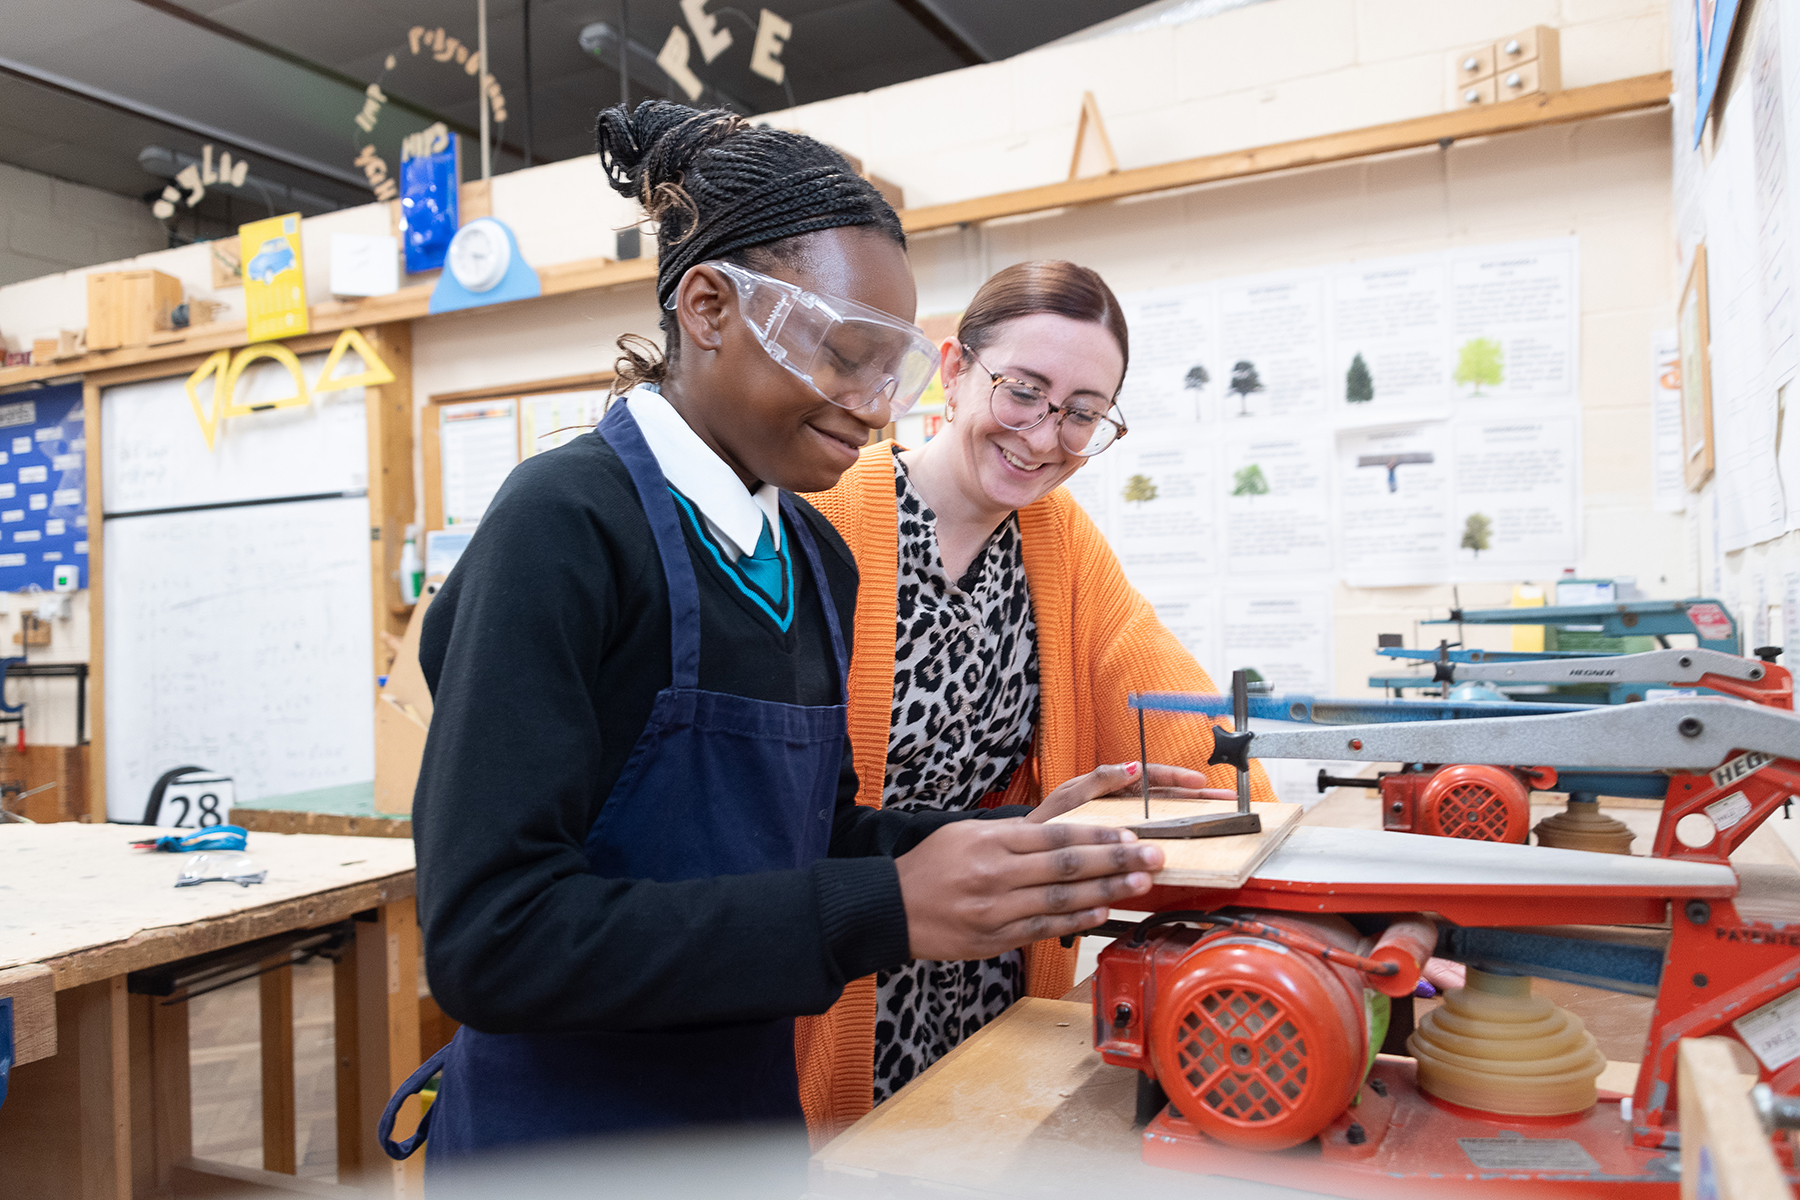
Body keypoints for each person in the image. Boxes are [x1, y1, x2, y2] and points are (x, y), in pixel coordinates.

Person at [376, 106, 1167, 1167]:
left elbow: (814, 834)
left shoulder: (810, 554)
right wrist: (873, 909)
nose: (876, 406)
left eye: (892, 371)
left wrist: (998, 853)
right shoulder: (564, 526)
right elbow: (493, 941)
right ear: (707, 306)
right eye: (845, 356)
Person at [798, 260, 1280, 1137]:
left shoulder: (1060, 542)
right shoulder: (826, 514)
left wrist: (1287, 874)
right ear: (952, 369)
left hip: (994, 965)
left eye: (1085, 412)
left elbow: (1181, 722)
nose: (1045, 435)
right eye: (1023, 391)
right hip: (842, 954)